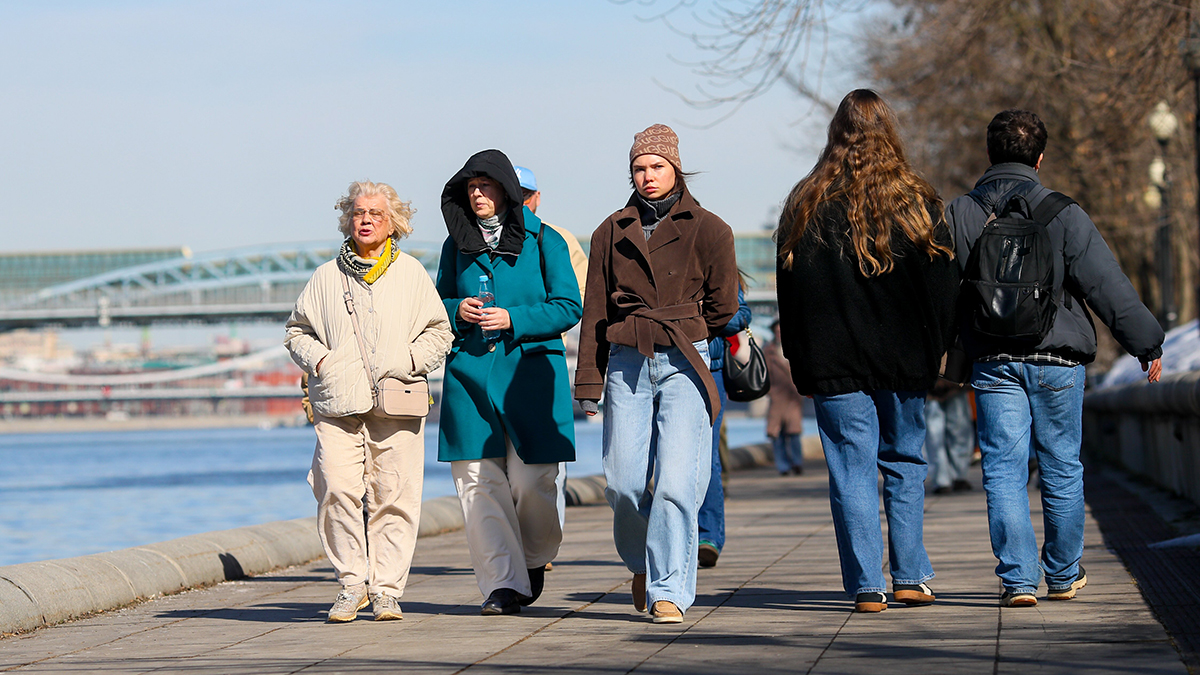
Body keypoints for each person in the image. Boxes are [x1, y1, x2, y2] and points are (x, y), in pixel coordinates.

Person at [945, 109, 1164, 607]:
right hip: (1058, 359)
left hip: (994, 359)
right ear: (1040, 158)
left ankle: (1019, 580)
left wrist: (940, 355)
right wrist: (1145, 342)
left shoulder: (961, 213)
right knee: (1062, 466)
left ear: (989, 153)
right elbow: (1105, 283)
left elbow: (941, 294)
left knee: (1003, 470)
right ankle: (1063, 574)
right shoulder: (1064, 212)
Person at [774, 89, 959, 613]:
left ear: (835, 134)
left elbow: (791, 295)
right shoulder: (917, 202)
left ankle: (866, 584)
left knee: (850, 471)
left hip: (835, 363)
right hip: (904, 360)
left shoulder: (805, 205)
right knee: (905, 462)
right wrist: (937, 349)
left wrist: (802, 359)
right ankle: (910, 575)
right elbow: (944, 289)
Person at [575, 124, 739, 624]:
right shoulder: (609, 231)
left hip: (685, 359)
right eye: (639, 168)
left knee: (676, 483)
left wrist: (686, 326)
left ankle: (669, 589)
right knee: (622, 482)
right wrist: (588, 382)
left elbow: (724, 307)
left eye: (657, 166)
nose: (647, 176)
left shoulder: (710, 229)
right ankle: (642, 562)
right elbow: (596, 310)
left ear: (676, 169)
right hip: (627, 360)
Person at [285, 180, 453, 623]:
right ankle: (351, 583)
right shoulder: (326, 276)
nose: (365, 220)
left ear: (392, 222)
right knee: (335, 487)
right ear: (348, 220)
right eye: (358, 212)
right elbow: (297, 331)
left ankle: (386, 591)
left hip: (398, 400)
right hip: (337, 402)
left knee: (394, 497)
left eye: (376, 214)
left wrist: (410, 360)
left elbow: (440, 332)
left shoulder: (411, 274)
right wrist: (321, 360)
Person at [436, 149, 583, 616]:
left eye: (485, 186)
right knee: (476, 484)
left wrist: (514, 318)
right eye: (470, 188)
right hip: (470, 377)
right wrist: (456, 309)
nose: (477, 194)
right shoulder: (454, 245)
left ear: (506, 190)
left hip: (530, 376)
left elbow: (569, 306)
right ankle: (502, 584)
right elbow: (437, 302)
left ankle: (534, 559)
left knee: (533, 479)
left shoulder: (546, 240)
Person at [514, 165, 587, 556]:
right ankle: (521, 550)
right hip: (497, 359)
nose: (520, 202)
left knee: (546, 466)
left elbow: (579, 298)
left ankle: (542, 549)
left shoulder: (556, 239)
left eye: (525, 195)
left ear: (537, 198)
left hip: (543, 359)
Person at [697, 282, 751, 568]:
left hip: (711, 368)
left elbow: (741, 316)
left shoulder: (721, 264)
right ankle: (676, 536)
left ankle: (708, 537)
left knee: (707, 454)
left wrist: (699, 315)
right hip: (662, 363)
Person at [765, 319, 804, 476]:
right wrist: (769, 391)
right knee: (776, 433)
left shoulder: (795, 347)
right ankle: (783, 466)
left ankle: (797, 463)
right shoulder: (768, 351)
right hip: (777, 398)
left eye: (782, 331)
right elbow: (764, 373)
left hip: (793, 397)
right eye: (777, 331)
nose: (779, 334)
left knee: (794, 432)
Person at [924, 382, 973, 494]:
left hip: (956, 382)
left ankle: (959, 476)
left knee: (959, 428)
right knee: (934, 434)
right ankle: (941, 480)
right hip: (930, 385)